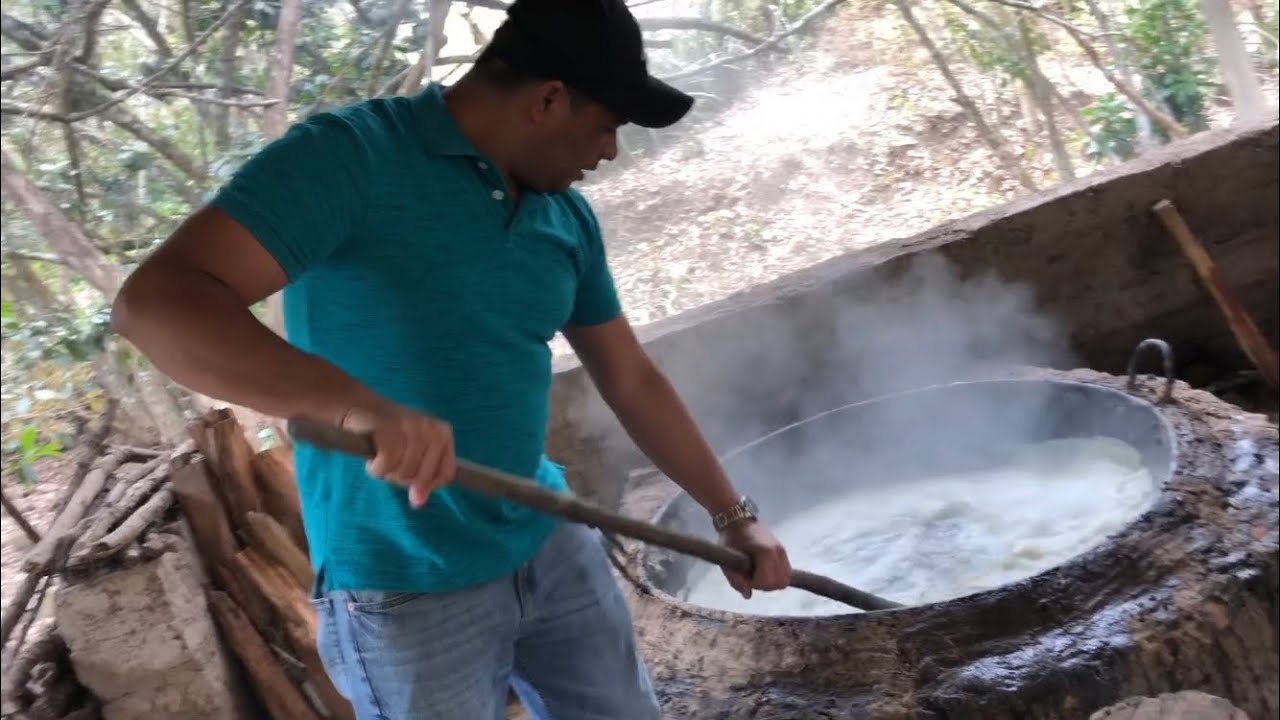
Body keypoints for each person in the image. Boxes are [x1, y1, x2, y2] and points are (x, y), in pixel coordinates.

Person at [111, 0, 792, 718]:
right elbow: (155, 305)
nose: (611, 152)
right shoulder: (349, 158)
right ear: (549, 99)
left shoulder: (566, 218)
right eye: (606, 126)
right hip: (404, 588)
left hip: (549, 540)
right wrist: (358, 404)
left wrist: (732, 513)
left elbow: (631, 378)